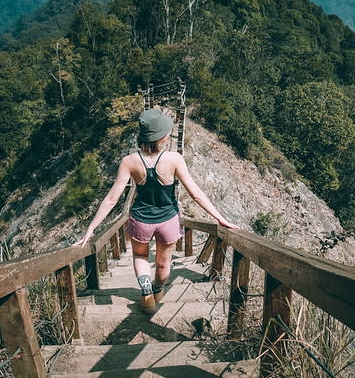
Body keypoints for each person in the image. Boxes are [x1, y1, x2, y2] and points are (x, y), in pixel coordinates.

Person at [75, 108, 238, 311]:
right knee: (163, 264)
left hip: (141, 220)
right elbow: (196, 194)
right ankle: (157, 291)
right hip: (168, 220)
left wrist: (90, 228)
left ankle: (145, 291)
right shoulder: (174, 159)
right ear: (162, 136)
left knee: (140, 257)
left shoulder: (129, 161)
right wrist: (220, 218)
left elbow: (111, 199)